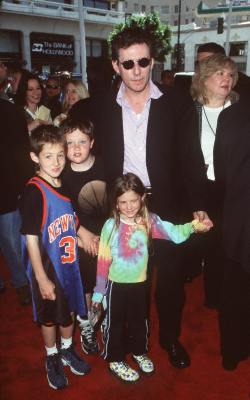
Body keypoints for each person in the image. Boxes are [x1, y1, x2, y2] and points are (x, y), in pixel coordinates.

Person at [81, 14, 209, 369]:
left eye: (143, 61)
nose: (137, 70)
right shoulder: (101, 105)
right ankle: (122, 343)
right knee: (123, 284)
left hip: (166, 206)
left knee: (169, 283)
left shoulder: (177, 101)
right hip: (121, 211)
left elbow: (190, 157)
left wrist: (198, 204)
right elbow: (87, 157)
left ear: (153, 61)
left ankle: (169, 339)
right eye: (128, 63)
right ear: (116, 66)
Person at [92, 173, 212, 382]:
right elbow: (103, 261)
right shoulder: (110, 226)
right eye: (123, 202)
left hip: (140, 285)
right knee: (115, 324)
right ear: (116, 203)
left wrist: (193, 226)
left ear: (142, 198)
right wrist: (99, 292)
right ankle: (115, 359)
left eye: (133, 200)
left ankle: (139, 351)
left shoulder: (150, 221)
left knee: (140, 322)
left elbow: (174, 233)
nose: (129, 207)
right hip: (116, 286)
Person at [19, 125, 98, 390]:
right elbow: (31, 237)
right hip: (47, 267)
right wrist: (41, 277)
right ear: (35, 158)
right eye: (48, 156)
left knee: (70, 310)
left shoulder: (64, 185)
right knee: (50, 315)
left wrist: (81, 235)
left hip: (68, 264)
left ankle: (67, 348)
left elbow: (66, 222)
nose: (56, 162)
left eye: (60, 156)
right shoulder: (34, 192)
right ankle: (51, 354)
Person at [187, 54, 239, 307]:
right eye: (220, 73)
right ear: (204, 79)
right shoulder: (191, 111)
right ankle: (213, 294)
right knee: (208, 243)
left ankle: (226, 296)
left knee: (230, 244)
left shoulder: (241, 110)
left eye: (230, 74)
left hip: (235, 188)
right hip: (203, 187)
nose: (226, 79)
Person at [61, 118, 107, 355]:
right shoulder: (63, 175)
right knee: (86, 284)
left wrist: (107, 236)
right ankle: (87, 323)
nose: (76, 148)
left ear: (92, 142)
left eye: (82, 141)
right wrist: (83, 237)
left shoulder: (105, 166)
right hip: (80, 238)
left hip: (107, 235)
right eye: (69, 144)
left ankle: (105, 317)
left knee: (108, 282)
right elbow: (65, 213)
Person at [214, 98, 250, 371]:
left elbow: (221, 173)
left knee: (234, 288)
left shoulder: (230, 116)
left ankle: (232, 352)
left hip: (237, 215)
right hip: (237, 215)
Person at [0, 98, 33, 305]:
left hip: (7, 188)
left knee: (12, 241)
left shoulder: (9, 110)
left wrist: (24, 185)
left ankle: (22, 283)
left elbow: (22, 151)